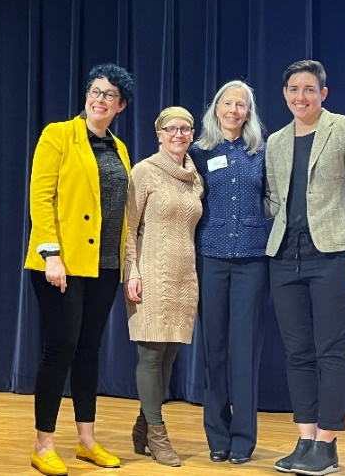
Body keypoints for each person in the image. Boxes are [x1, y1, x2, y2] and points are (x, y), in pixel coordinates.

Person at [24, 63, 134, 476]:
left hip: (104, 267)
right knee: (60, 351)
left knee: (89, 352)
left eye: (109, 95)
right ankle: (43, 444)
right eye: (95, 91)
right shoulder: (58, 135)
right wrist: (51, 254)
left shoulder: (120, 149)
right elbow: (42, 197)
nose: (99, 99)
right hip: (62, 265)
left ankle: (87, 440)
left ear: (120, 105)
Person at [266, 60, 345, 475]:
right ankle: (306, 437)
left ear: (323, 94)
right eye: (293, 89)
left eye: (309, 89)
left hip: (333, 255)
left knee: (332, 349)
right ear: (285, 94)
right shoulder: (276, 141)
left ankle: (327, 443)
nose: (300, 97)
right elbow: (275, 200)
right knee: (297, 352)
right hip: (285, 258)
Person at [189, 80, 268, 465]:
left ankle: (244, 438)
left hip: (253, 259)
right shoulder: (198, 152)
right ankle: (217, 434)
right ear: (216, 107)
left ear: (249, 112)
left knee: (244, 352)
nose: (234, 110)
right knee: (214, 349)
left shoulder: (262, 153)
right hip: (212, 258)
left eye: (242, 104)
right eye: (227, 102)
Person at [123, 106, 203, 467]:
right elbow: (128, 227)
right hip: (152, 273)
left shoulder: (194, 177)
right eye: (170, 128)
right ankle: (157, 433)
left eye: (185, 129)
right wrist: (132, 272)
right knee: (152, 355)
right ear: (158, 133)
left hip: (184, 276)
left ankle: (142, 425)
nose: (178, 134)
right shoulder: (144, 171)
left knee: (170, 355)